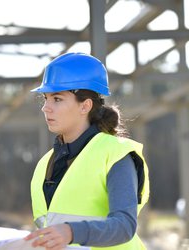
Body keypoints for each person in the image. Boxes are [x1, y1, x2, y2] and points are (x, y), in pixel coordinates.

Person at [24, 52, 150, 250]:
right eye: (45, 98)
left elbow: (125, 226)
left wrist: (71, 232)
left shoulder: (115, 154)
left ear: (85, 106)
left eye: (57, 99)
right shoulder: (44, 164)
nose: (46, 108)